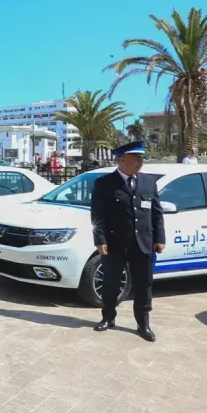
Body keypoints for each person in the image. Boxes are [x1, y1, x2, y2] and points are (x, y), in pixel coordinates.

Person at [91, 140, 165, 342]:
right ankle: (108, 317)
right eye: (137, 159)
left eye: (142, 159)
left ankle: (143, 324)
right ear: (122, 159)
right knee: (111, 283)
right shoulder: (105, 183)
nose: (141, 162)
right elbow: (98, 214)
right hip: (115, 243)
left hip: (143, 243)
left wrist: (159, 238)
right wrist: (100, 239)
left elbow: (157, 213)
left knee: (144, 285)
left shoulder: (149, 182)